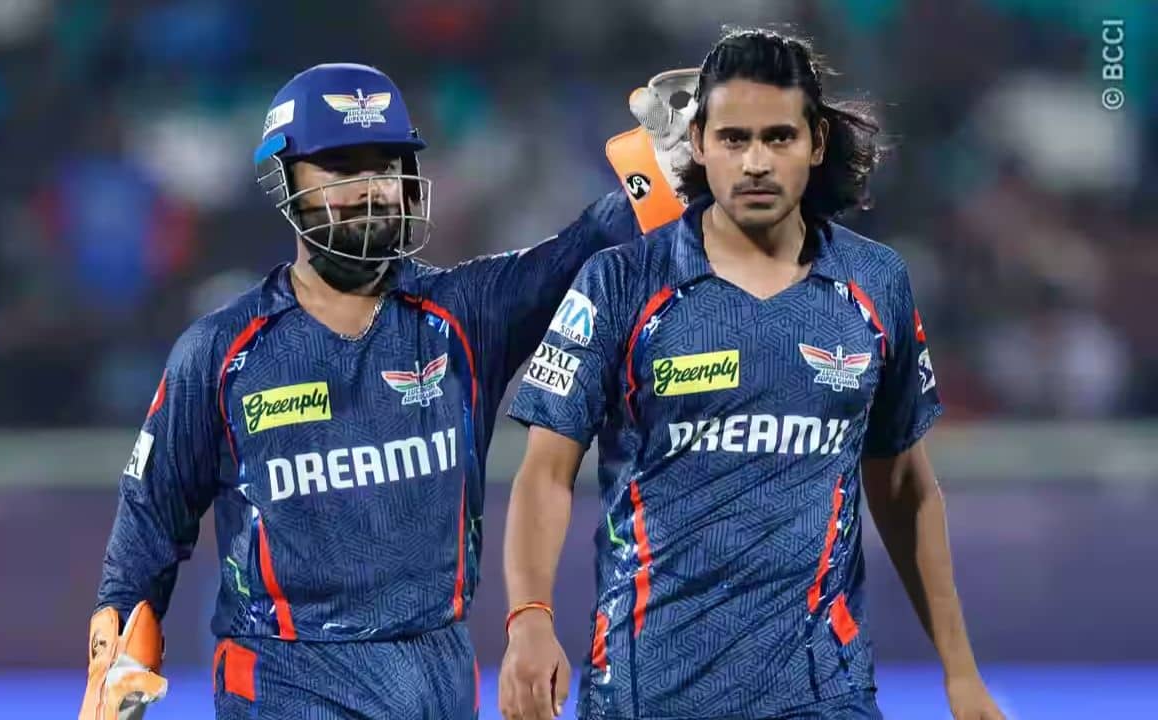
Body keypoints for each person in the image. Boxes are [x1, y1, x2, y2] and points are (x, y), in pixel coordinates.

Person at [76, 62, 657, 719]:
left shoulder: (463, 317)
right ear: (286, 181)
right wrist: (116, 650)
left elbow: (586, 246)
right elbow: (151, 517)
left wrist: (668, 161)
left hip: (435, 679)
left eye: (384, 166)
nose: (369, 189)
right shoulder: (220, 351)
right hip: (284, 680)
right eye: (340, 168)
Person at [500, 29, 1005, 720]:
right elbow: (545, 472)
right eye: (734, 139)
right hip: (648, 694)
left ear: (816, 142)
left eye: (779, 137)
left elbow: (905, 488)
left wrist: (961, 673)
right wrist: (529, 617)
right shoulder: (619, 282)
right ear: (698, 143)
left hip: (824, 696)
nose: (757, 162)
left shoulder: (876, 281)